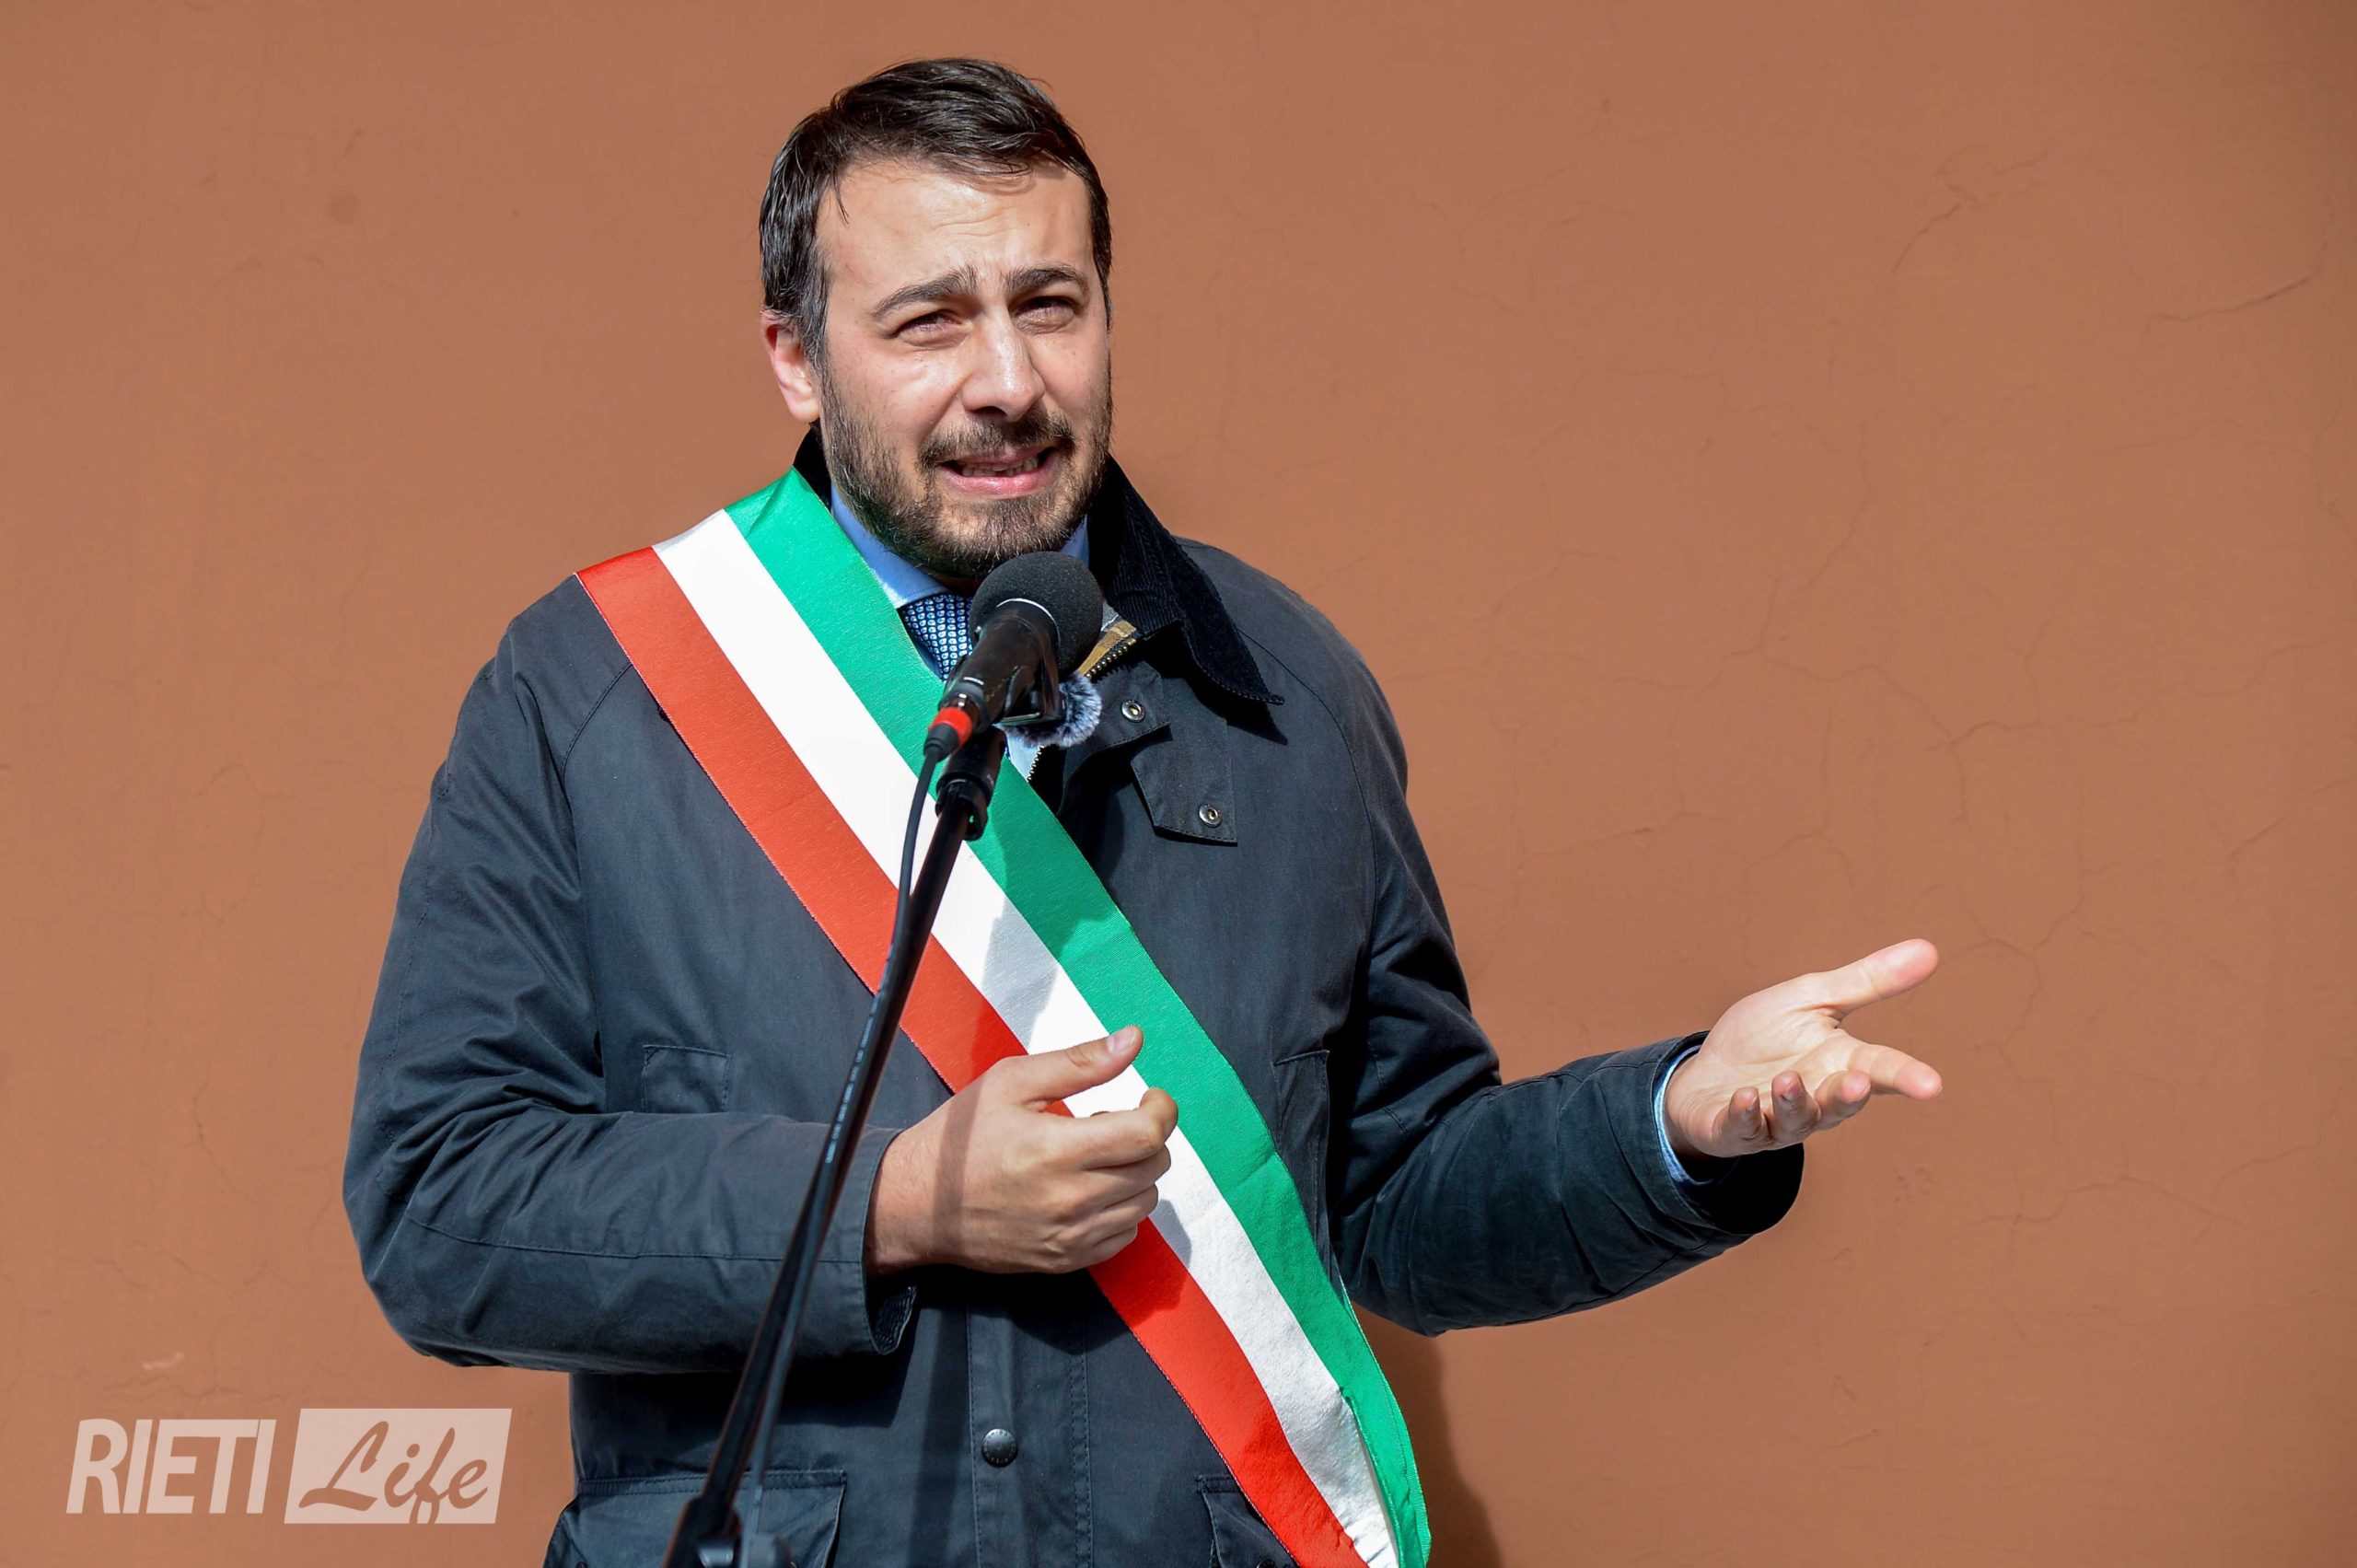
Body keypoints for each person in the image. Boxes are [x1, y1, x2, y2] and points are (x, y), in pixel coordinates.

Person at [342, 56, 1945, 1568]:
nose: (1009, 383)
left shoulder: (1289, 694)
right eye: (927, 322)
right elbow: (440, 1205)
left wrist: (1670, 1122)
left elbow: (1395, 1198)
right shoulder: (598, 691)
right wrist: (891, 1205)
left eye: (1051, 305)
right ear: (794, 356)